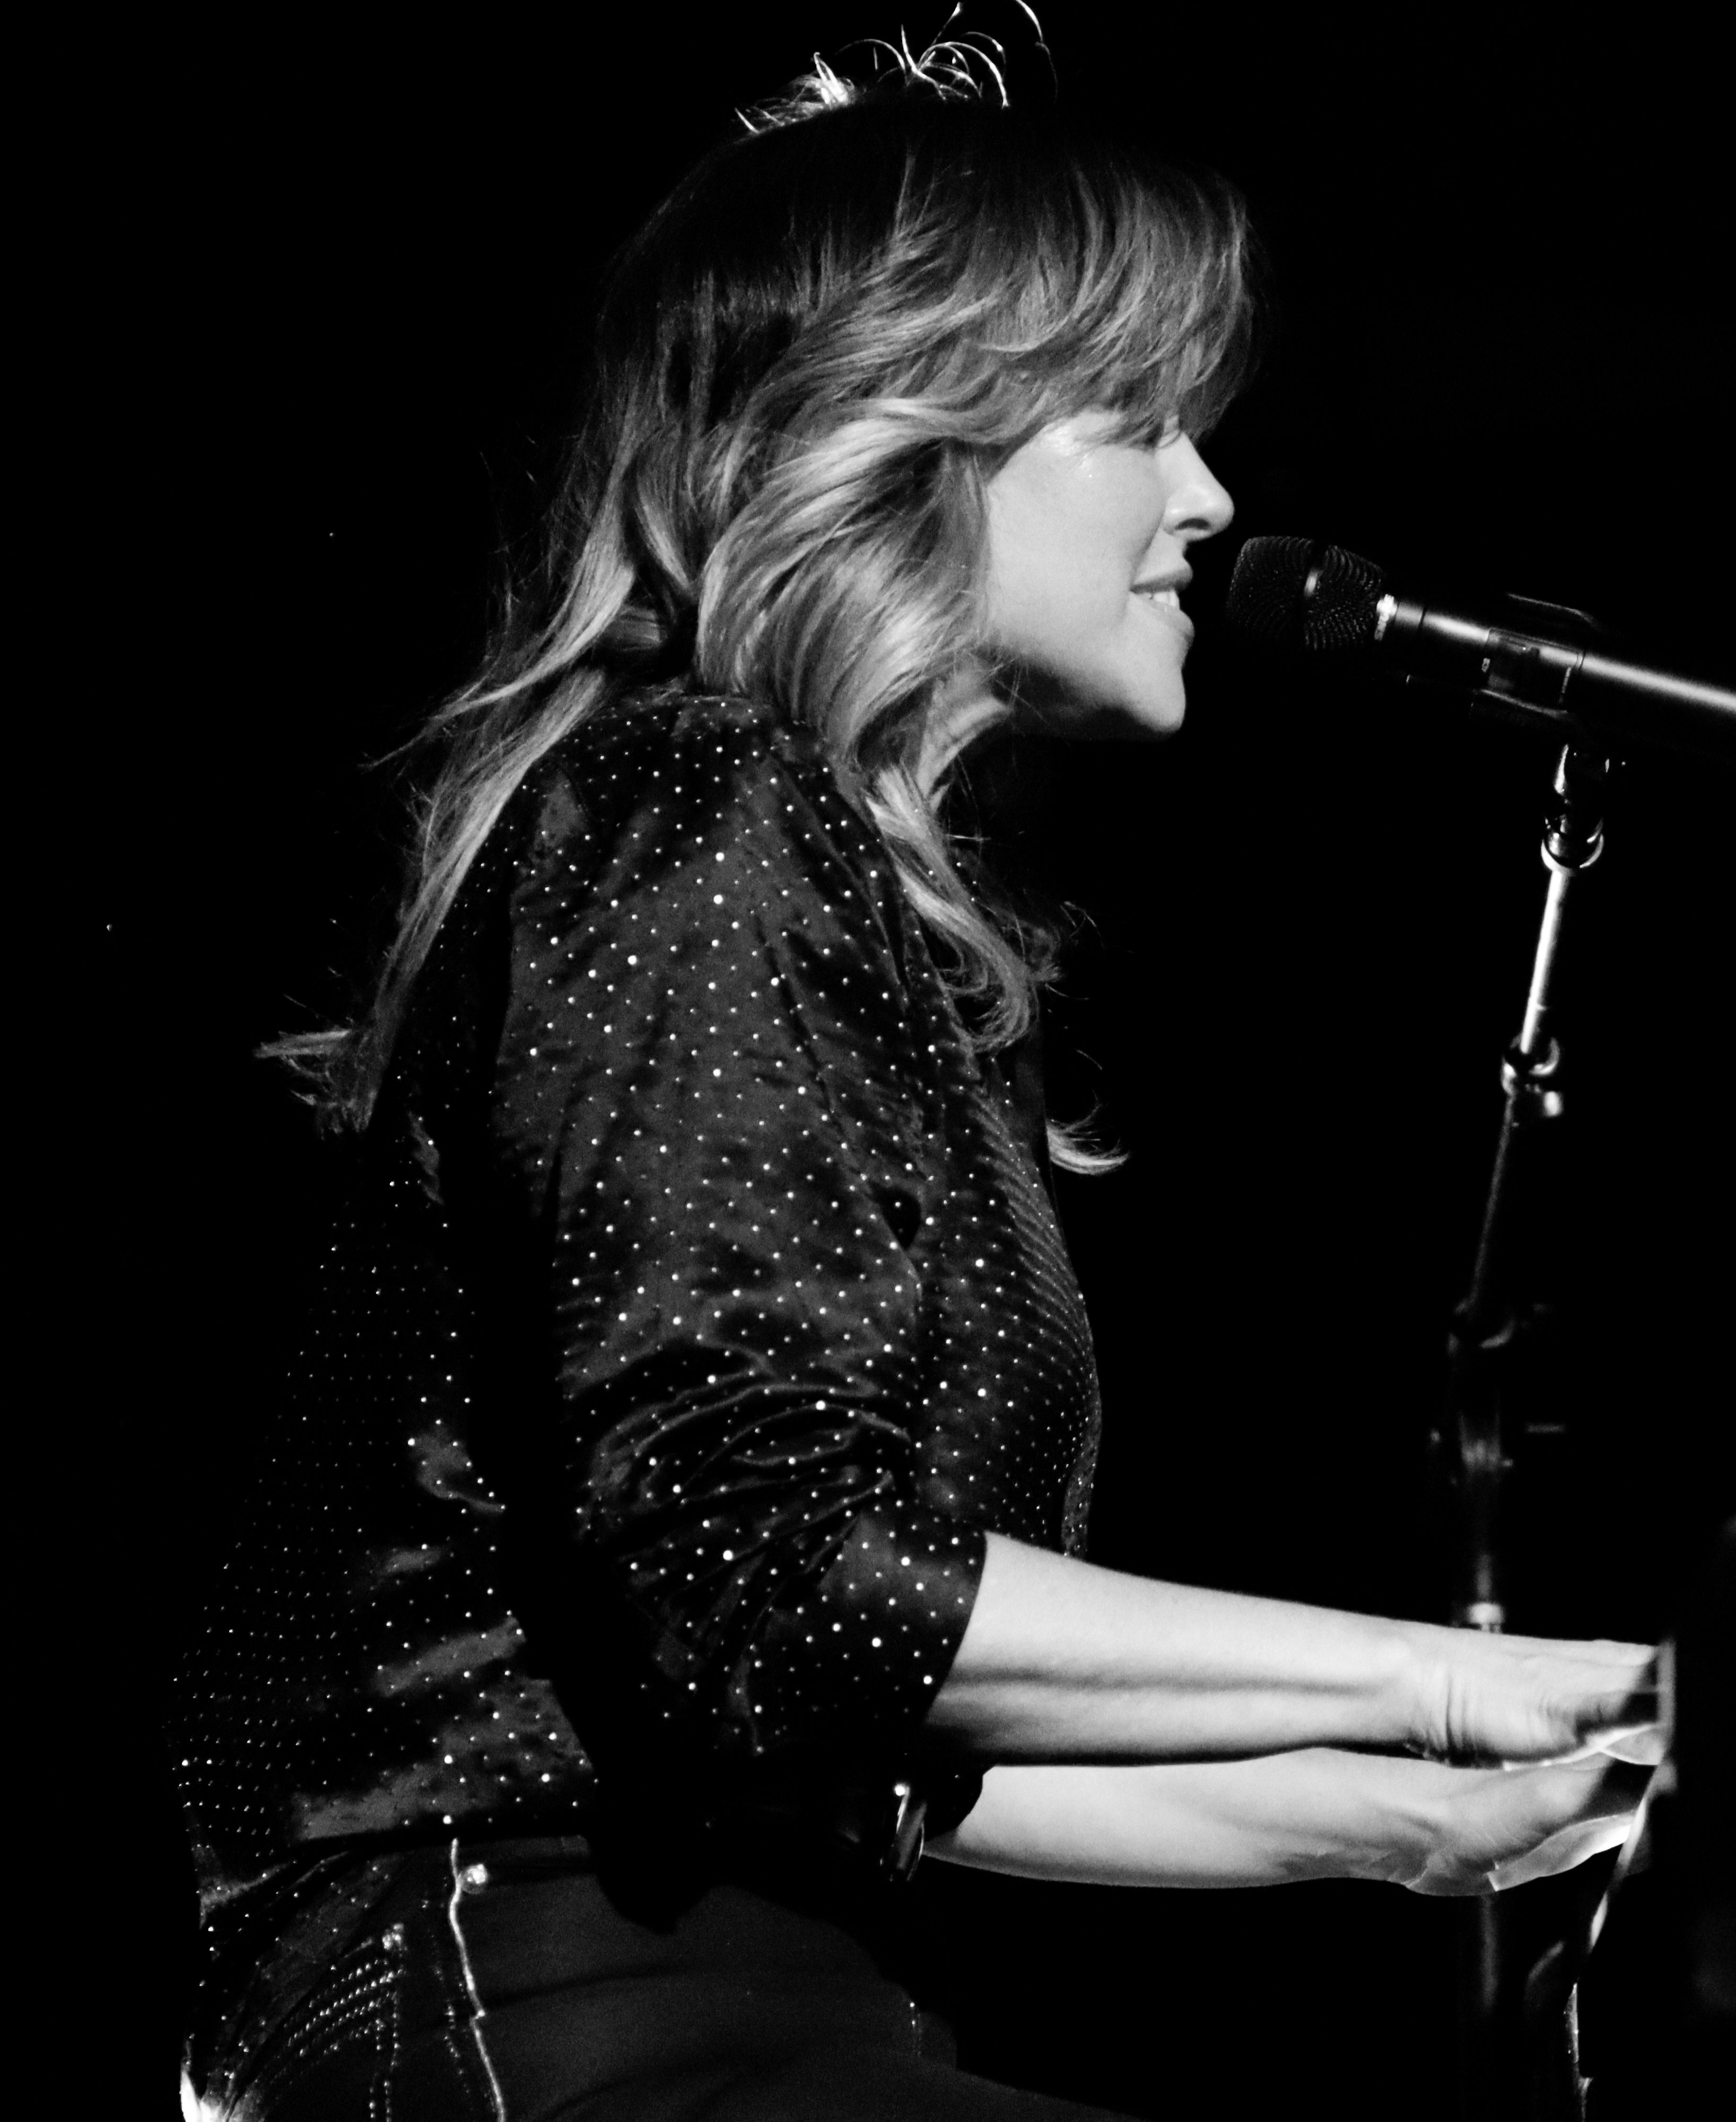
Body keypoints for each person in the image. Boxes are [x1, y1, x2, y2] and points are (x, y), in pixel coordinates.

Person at [175, 53, 1656, 2121]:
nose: (1210, 499)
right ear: (913, 439)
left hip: (730, 2002)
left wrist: (1423, 1812)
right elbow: (765, 1572)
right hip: (536, 2001)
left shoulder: (836, 906)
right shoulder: (696, 804)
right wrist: (1449, 1669)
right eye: (1133, 422)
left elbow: (857, 1717)